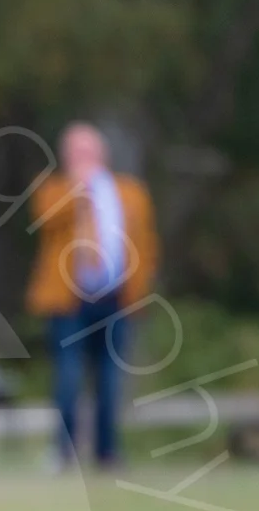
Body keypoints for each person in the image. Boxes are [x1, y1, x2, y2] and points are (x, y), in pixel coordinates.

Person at [26, 122, 159, 467]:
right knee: (68, 378)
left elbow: (145, 244)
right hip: (69, 302)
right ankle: (63, 450)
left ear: (103, 154)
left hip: (115, 298)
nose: (82, 158)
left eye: (87, 151)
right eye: (75, 152)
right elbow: (45, 217)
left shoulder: (130, 193)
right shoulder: (54, 190)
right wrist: (78, 191)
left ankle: (107, 450)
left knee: (111, 380)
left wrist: (139, 290)